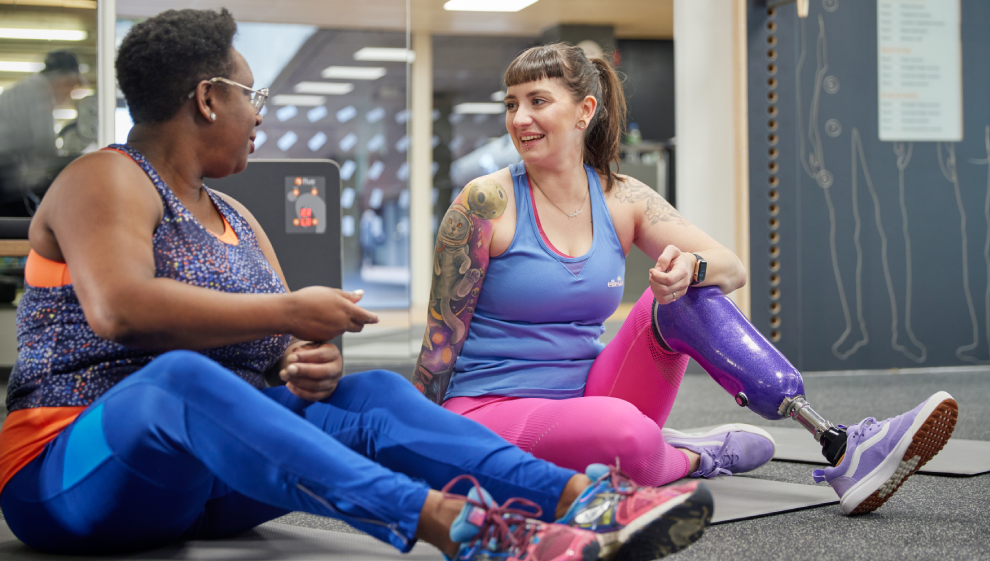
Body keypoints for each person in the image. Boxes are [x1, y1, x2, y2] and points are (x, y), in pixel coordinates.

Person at [0, 11, 715, 561]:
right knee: (179, 380)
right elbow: (120, 308)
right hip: (70, 476)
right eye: (254, 95)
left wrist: (307, 360)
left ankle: (579, 497)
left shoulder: (239, 217)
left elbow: (281, 350)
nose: (262, 112)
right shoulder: (105, 176)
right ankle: (463, 527)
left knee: (369, 391)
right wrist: (287, 309)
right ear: (209, 98)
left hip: (204, 483)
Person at [413, 43, 958, 516]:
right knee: (623, 436)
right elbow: (441, 344)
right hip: (492, 406)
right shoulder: (486, 202)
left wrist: (689, 268)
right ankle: (695, 455)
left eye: (537, 101)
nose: (519, 119)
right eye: (511, 104)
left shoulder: (621, 197)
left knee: (684, 293)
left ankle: (839, 444)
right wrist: (413, 437)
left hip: (594, 391)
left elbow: (732, 267)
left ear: (584, 110)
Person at [0, 50, 85, 215]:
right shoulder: (40, 92)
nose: (69, 93)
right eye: (72, 85)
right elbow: (45, 146)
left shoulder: (20, 89)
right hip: (5, 171)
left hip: (9, 171)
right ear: (63, 78)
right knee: (22, 225)